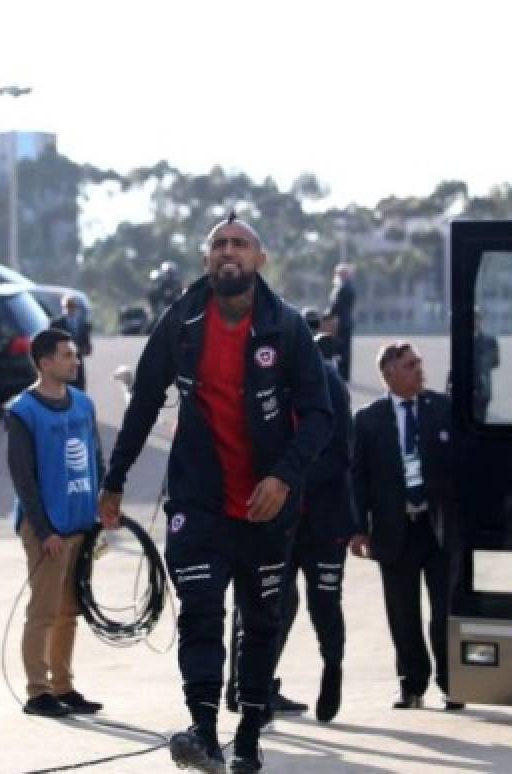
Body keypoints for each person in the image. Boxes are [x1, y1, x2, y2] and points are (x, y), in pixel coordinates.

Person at [99, 215, 332, 774]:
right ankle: (202, 729)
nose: (229, 252)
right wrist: (115, 478)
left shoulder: (287, 327)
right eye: (219, 244)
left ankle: (249, 737)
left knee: (260, 623)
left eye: (241, 244)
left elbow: (322, 417)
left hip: (266, 507)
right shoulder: (181, 320)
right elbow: (145, 401)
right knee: (200, 613)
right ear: (207, 258)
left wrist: (283, 477)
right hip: (199, 502)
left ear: (260, 259)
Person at [226, 326, 355, 724]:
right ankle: (252, 691)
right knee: (266, 603)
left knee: (324, 605)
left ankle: (332, 667)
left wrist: (288, 478)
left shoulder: (330, 386)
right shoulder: (266, 382)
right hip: (273, 522)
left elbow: (340, 456)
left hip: (321, 518)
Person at [348, 342, 462, 711]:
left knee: (445, 612)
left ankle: (452, 684)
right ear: (389, 374)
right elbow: (357, 479)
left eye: (418, 363)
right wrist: (357, 528)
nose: (418, 369)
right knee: (403, 614)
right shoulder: (368, 420)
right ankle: (412, 685)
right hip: (394, 529)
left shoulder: (442, 409)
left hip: (437, 529)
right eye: (410, 365)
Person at [7, 327, 113, 718]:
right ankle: (38, 693)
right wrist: (44, 530)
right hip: (46, 530)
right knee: (44, 610)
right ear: (45, 362)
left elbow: (96, 461)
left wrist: (103, 507)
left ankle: (63, 686)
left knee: (70, 611)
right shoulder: (22, 411)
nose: (75, 361)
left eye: (75, 355)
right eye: (67, 355)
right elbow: (23, 478)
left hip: (80, 524)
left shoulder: (84, 405)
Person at [50, 294, 92, 391]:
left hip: (78, 366)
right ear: (63, 307)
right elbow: (52, 344)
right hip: (61, 365)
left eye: (72, 306)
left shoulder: (83, 324)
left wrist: (82, 349)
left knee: (79, 391)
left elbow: (88, 347)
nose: (70, 309)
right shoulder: (56, 324)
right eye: (67, 306)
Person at [328, 262, 356, 383]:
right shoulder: (346, 286)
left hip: (341, 323)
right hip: (345, 321)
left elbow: (336, 306)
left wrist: (327, 315)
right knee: (344, 350)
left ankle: (343, 375)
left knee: (342, 350)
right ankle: (344, 374)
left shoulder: (344, 288)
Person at [473, 310, 500, 421]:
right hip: (464, 390)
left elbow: (495, 362)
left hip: (482, 390)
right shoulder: (460, 339)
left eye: (476, 319)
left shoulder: (490, 341)